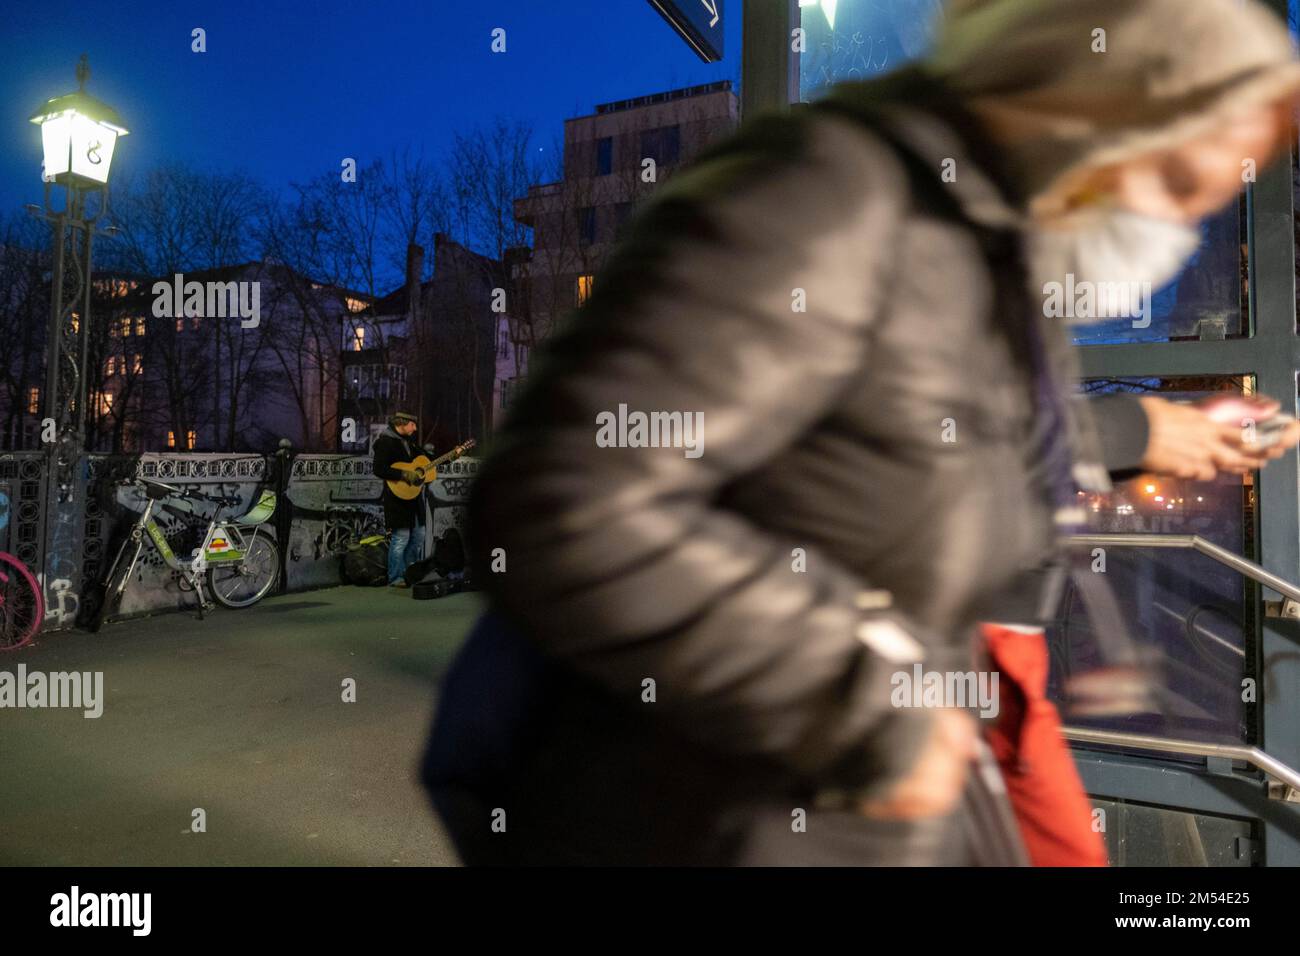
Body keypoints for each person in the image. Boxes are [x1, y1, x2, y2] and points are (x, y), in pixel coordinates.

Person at [424, 0, 1300, 865]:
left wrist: (1143, 426)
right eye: (1182, 186)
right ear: (1092, 100)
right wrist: (868, 707)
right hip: (721, 797)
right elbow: (568, 500)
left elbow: (951, 425)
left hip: (884, 751)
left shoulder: (979, 242)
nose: (1177, 235)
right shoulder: (831, 193)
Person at [371, 412, 426, 587]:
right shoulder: (385, 442)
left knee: (419, 535)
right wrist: (403, 474)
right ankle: (395, 577)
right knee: (400, 537)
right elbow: (379, 469)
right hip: (397, 497)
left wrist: (453, 455)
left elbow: (427, 459)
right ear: (402, 423)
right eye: (412, 424)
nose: (415, 428)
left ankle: (410, 572)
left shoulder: (409, 442)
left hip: (413, 497)